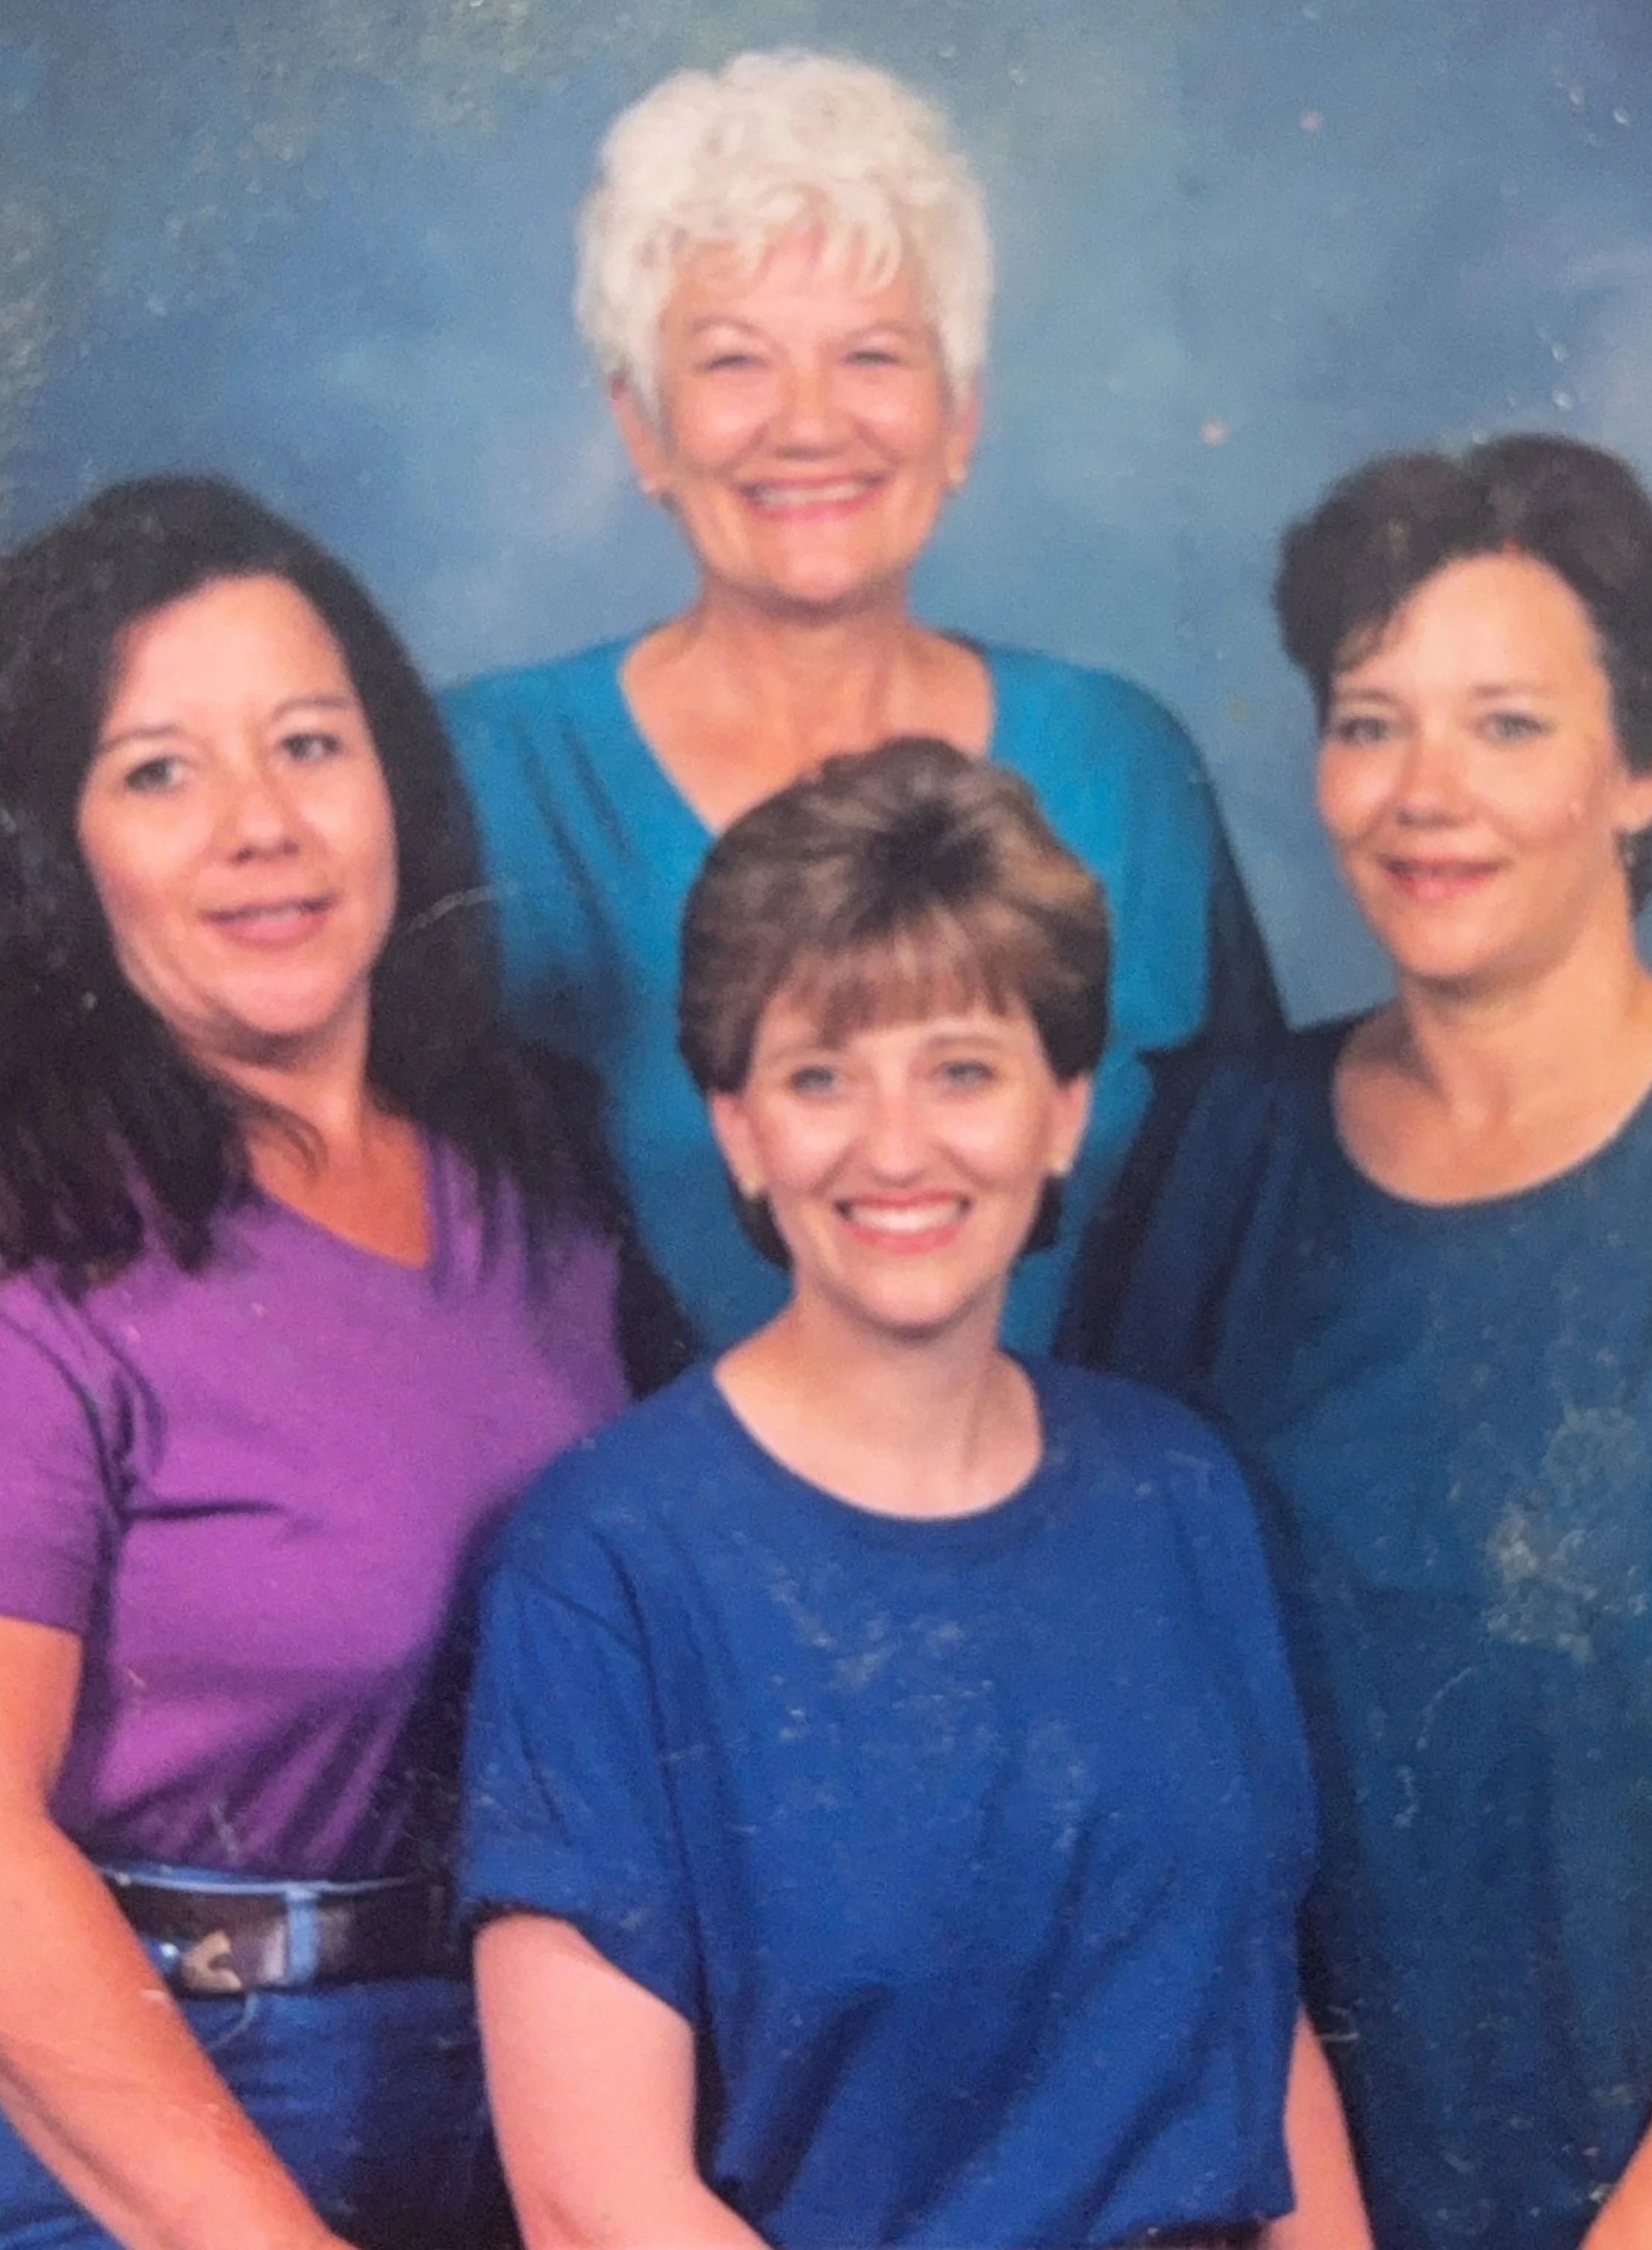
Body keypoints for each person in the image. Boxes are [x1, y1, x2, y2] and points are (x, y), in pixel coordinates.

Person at [460, 739, 1371, 2250]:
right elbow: (591, 2199)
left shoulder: (1176, 1492)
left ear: (1062, 1109)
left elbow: (1255, 2049)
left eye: (961, 1069)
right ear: (741, 1128)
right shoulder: (604, 1560)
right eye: (821, 1076)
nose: (896, 1150)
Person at [0, 476, 632, 2250]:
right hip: (143, 2127)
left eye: (308, 744)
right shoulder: (0, 1229)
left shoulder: (527, 1162)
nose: (261, 827)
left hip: (513, 2086)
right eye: (159, 770)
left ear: (393, 778)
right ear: (55, 843)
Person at [1100, 434, 1652, 2250]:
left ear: (1643, 769)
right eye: (1369, 720)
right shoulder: (1213, 1154)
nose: (1420, 793)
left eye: (1507, 725)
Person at [443, 47, 1278, 1360]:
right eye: (734, 364)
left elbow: (1249, 1225)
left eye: (873, 356)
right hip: (630, 1552)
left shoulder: (1126, 766)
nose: (809, 424)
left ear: (959, 413)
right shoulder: (487, 775)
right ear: (642, 427)